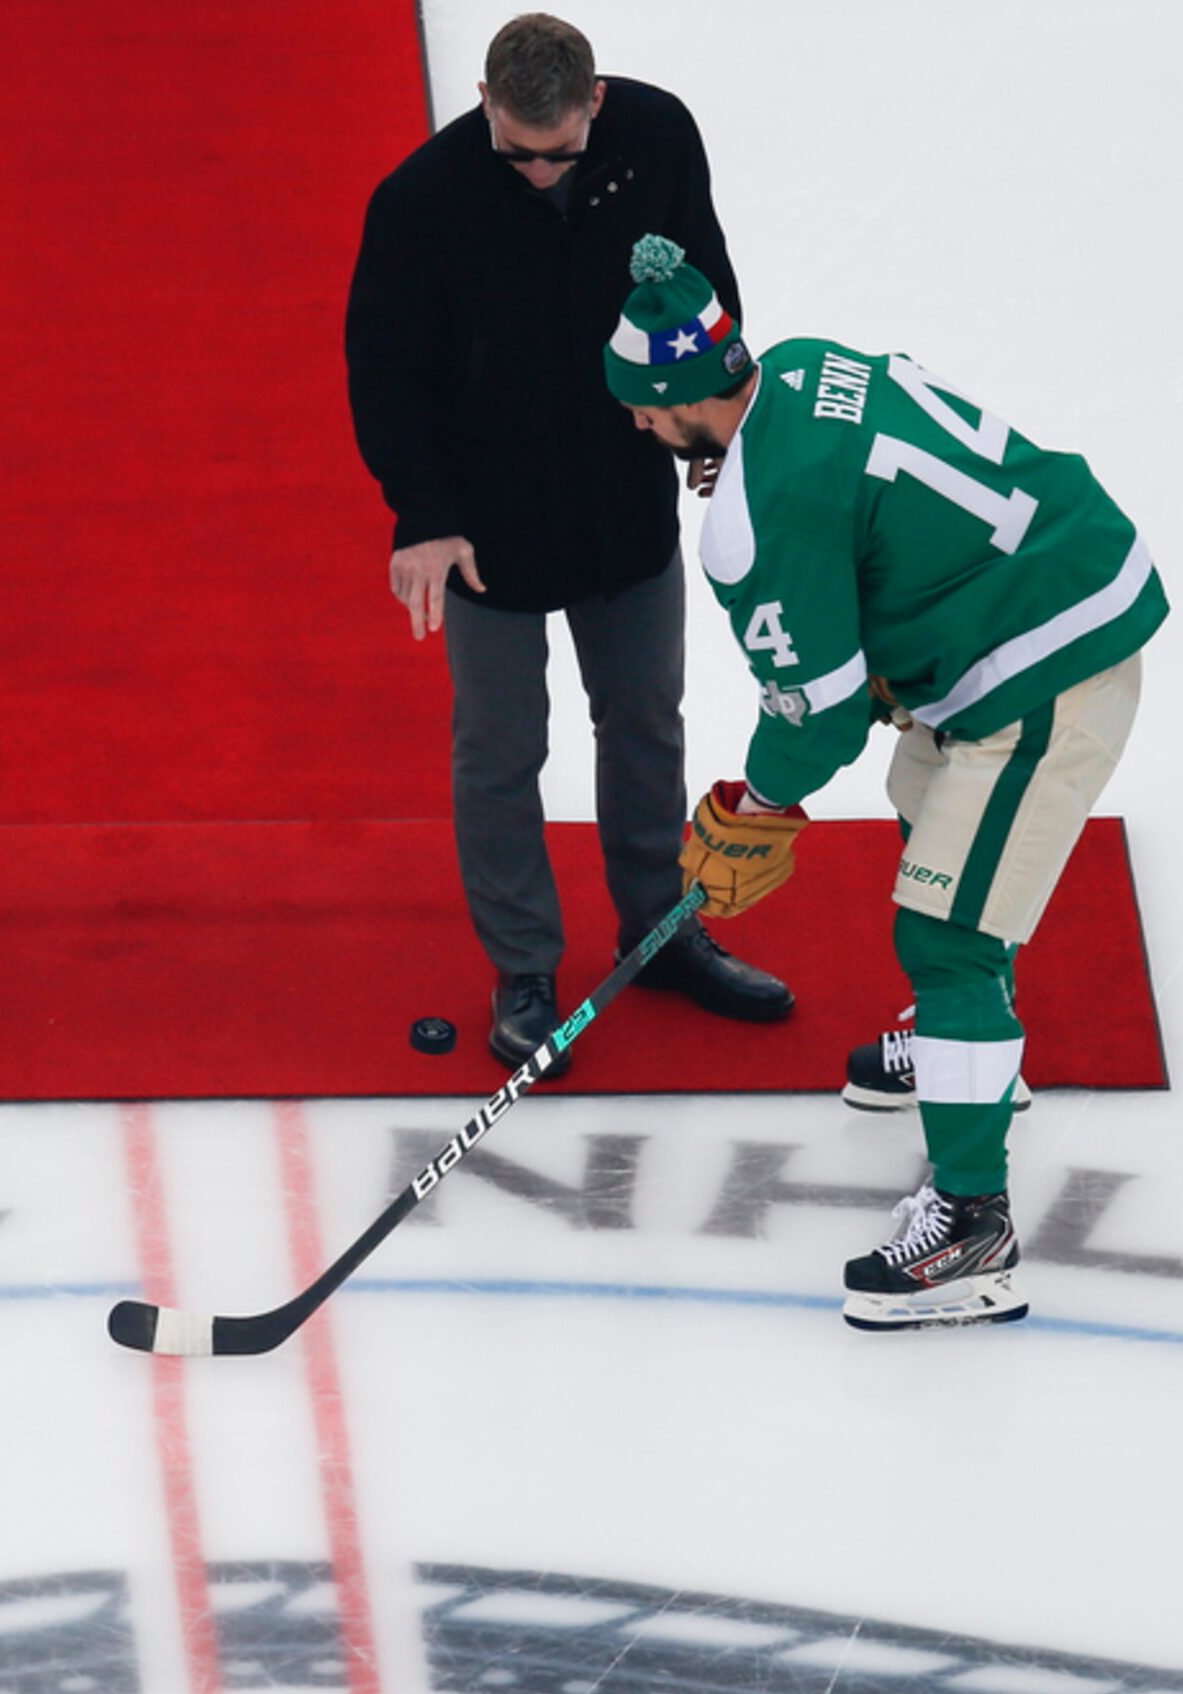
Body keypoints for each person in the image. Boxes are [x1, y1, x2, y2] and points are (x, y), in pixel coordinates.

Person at [609, 234, 1165, 1331]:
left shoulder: (756, 521)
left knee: (945, 931)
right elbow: (864, 519)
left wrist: (754, 805)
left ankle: (971, 1231)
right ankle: (968, 1052)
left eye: (639, 408)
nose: (632, 425)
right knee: (926, 798)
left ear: (681, 400)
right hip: (1033, 589)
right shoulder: (804, 365)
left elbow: (815, 714)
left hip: (1043, 660)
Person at [345, 12, 791, 1073]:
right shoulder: (418, 201)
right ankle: (523, 970)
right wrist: (422, 514)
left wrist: (709, 422)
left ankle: (658, 935)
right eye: (516, 150)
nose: (540, 174)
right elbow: (383, 369)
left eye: (559, 153)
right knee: (499, 751)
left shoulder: (658, 137)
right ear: (485, 108)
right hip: (485, 522)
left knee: (642, 718)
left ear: (594, 104)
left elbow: (704, 290)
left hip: (619, 492)